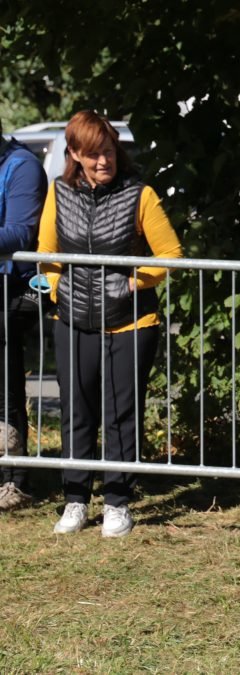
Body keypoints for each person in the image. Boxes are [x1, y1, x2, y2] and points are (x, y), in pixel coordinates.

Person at [39, 111, 183, 536]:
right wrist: (55, 288)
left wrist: (130, 284)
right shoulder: (59, 193)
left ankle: (118, 501)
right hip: (71, 319)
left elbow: (171, 257)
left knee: (122, 413)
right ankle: (75, 499)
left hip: (131, 323)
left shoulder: (141, 195)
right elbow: (46, 251)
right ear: (75, 155)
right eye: (94, 154)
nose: (105, 161)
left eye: (110, 151)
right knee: (76, 412)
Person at [0, 118, 46, 512]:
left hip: (13, 290)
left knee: (3, 380)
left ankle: (13, 479)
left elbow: (19, 233)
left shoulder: (21, 166)